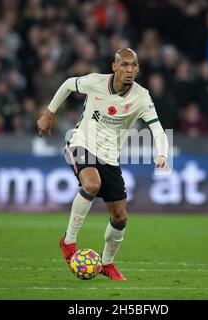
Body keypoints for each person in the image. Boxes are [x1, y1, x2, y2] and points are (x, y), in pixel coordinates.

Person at [37, 48, 170, 280]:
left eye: (134, 66)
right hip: (81, 143)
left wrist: (163, 154)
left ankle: (107, 264)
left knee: (120, 217)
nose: (129, 70)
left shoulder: (141, 96)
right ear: (114, 67)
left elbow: (157, 128)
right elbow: (68, 84)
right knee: (91, 184)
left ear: (138, 69)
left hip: (110, 158)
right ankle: (68, 241)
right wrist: (49, 113)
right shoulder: (95, 82)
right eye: (125, 65)